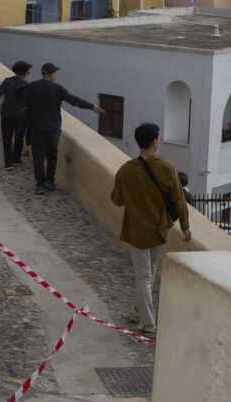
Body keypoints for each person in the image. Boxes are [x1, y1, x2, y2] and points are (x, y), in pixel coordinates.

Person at [110, 123, 191, 338]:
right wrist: (185, 227)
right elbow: (179, 200)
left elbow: (116, 199)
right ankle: (138, 311)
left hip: (137, 231)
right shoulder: (167, 168)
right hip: (161, 229)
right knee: (150, 271)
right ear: (155, 141)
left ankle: (148, 324)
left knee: (144, 277)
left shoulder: (126, 170)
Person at [23, 62, 103, 194]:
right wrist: (92, 107)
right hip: (53, 128)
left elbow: (24, 104)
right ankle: (50, 181)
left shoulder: (32, 87)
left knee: (38, 157)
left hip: (37, 127)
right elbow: (74, 101)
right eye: (55, 73)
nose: (55, 75)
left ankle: (40, 184)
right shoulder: (58, 89)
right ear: (50, 75)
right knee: (52, 155)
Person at [0, 60, 32, 170]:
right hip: (20, 115)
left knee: (7, 139)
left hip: (7, 114)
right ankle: (16, 159)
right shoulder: (26, 85)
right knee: (19, 138)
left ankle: (8, 164)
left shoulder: (7, 81)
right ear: (24, 73)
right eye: (28, 73)